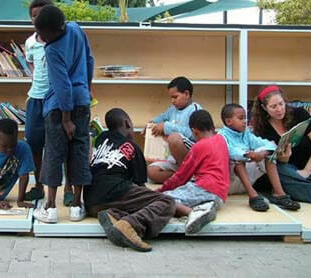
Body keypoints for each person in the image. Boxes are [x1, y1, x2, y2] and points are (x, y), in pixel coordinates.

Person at [32, 5, 94, 223]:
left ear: (55, 30)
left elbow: (62, 85)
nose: (39, 37)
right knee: (79, 151)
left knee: (54, 153)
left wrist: (66, 119)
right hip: (82, 102)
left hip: (60, 109)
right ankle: (77, 206)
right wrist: (86, 88)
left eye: (42, 33)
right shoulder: (76, 29)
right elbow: (89, 60)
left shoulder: (52, 50)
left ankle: (50, 207)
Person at [84, 108, 176, 252]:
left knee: (133, 204)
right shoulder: (133, 148)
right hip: (114, 191)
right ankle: (130, 225)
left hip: (91, 203)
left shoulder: (101, 139)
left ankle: (112, 215)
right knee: (167, 202)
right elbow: (140, 186)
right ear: (127, 123)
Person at [23, 0, 74, 205]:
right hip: (36, 99)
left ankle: (69, 187)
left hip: (56, 99)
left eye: (42, 15)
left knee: (64, 145)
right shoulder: (30, 43)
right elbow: (33, 68)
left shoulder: (62, 39)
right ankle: (38, 185)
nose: (38, 19)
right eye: (34, 16)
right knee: (35, 143)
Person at [157, 110, 229, 235]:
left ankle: (194, 213)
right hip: (220, 195)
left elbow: (181, 176)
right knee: (176, 198)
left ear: (194, 131)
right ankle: (201, 209)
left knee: (161, 199)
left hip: (205, 189)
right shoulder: (221, 140)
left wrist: (161, 190)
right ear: (212, 126)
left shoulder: (199, 146)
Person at [218, 103, 300, 211]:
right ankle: (253, 196)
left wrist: (263, 153)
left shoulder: (246, 134)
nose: (245, 121)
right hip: (231, 182)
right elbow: (232, 151)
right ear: (228, 122)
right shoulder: (221, 136)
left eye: (245, 118)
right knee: (238, 160)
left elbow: (269, 144)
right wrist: (249, 154)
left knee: (268, 153)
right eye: (241, 118)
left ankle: (279, 194)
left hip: (247, 178)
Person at [147, 76, 201, 184]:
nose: (172, 101)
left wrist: (167, 127)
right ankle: (185, 178)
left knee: (174, 139)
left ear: (186, 94)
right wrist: (151, 126)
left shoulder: (195, 110)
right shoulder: (172, 109)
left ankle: (189, 173)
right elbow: (161, 118)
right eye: (171, 98)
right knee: (151, 172)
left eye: (175, 97)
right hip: (174, 159)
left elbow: (194, 134)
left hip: (191, 156)